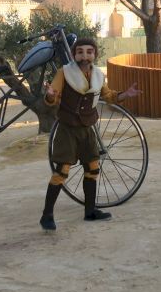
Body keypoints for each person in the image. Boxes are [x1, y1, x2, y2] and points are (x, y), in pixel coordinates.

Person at [40, 38, 141, 230]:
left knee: (93, 168)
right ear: (74, 54)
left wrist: (125, 94)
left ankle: (90, 211)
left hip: (87, 128)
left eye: (89, 52)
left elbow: (108, 96)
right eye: (80, 52)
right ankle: (47, 215)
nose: (84, 56)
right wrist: (51, 95)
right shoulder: (64, 73)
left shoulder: (98, 75)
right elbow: (53, 97)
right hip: (68, 129)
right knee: (62, 171)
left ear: (95, 54)